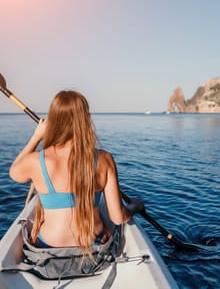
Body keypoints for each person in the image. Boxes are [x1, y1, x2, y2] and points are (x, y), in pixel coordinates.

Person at [9, 90, 144, 253]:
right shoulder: (104, 159)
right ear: (85, 119)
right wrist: (134, 206)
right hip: (95, 245)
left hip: (47, 247)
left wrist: (36, 137)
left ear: (54, 120)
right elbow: (118, 217)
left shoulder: (36, 160)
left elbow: (14, 172)